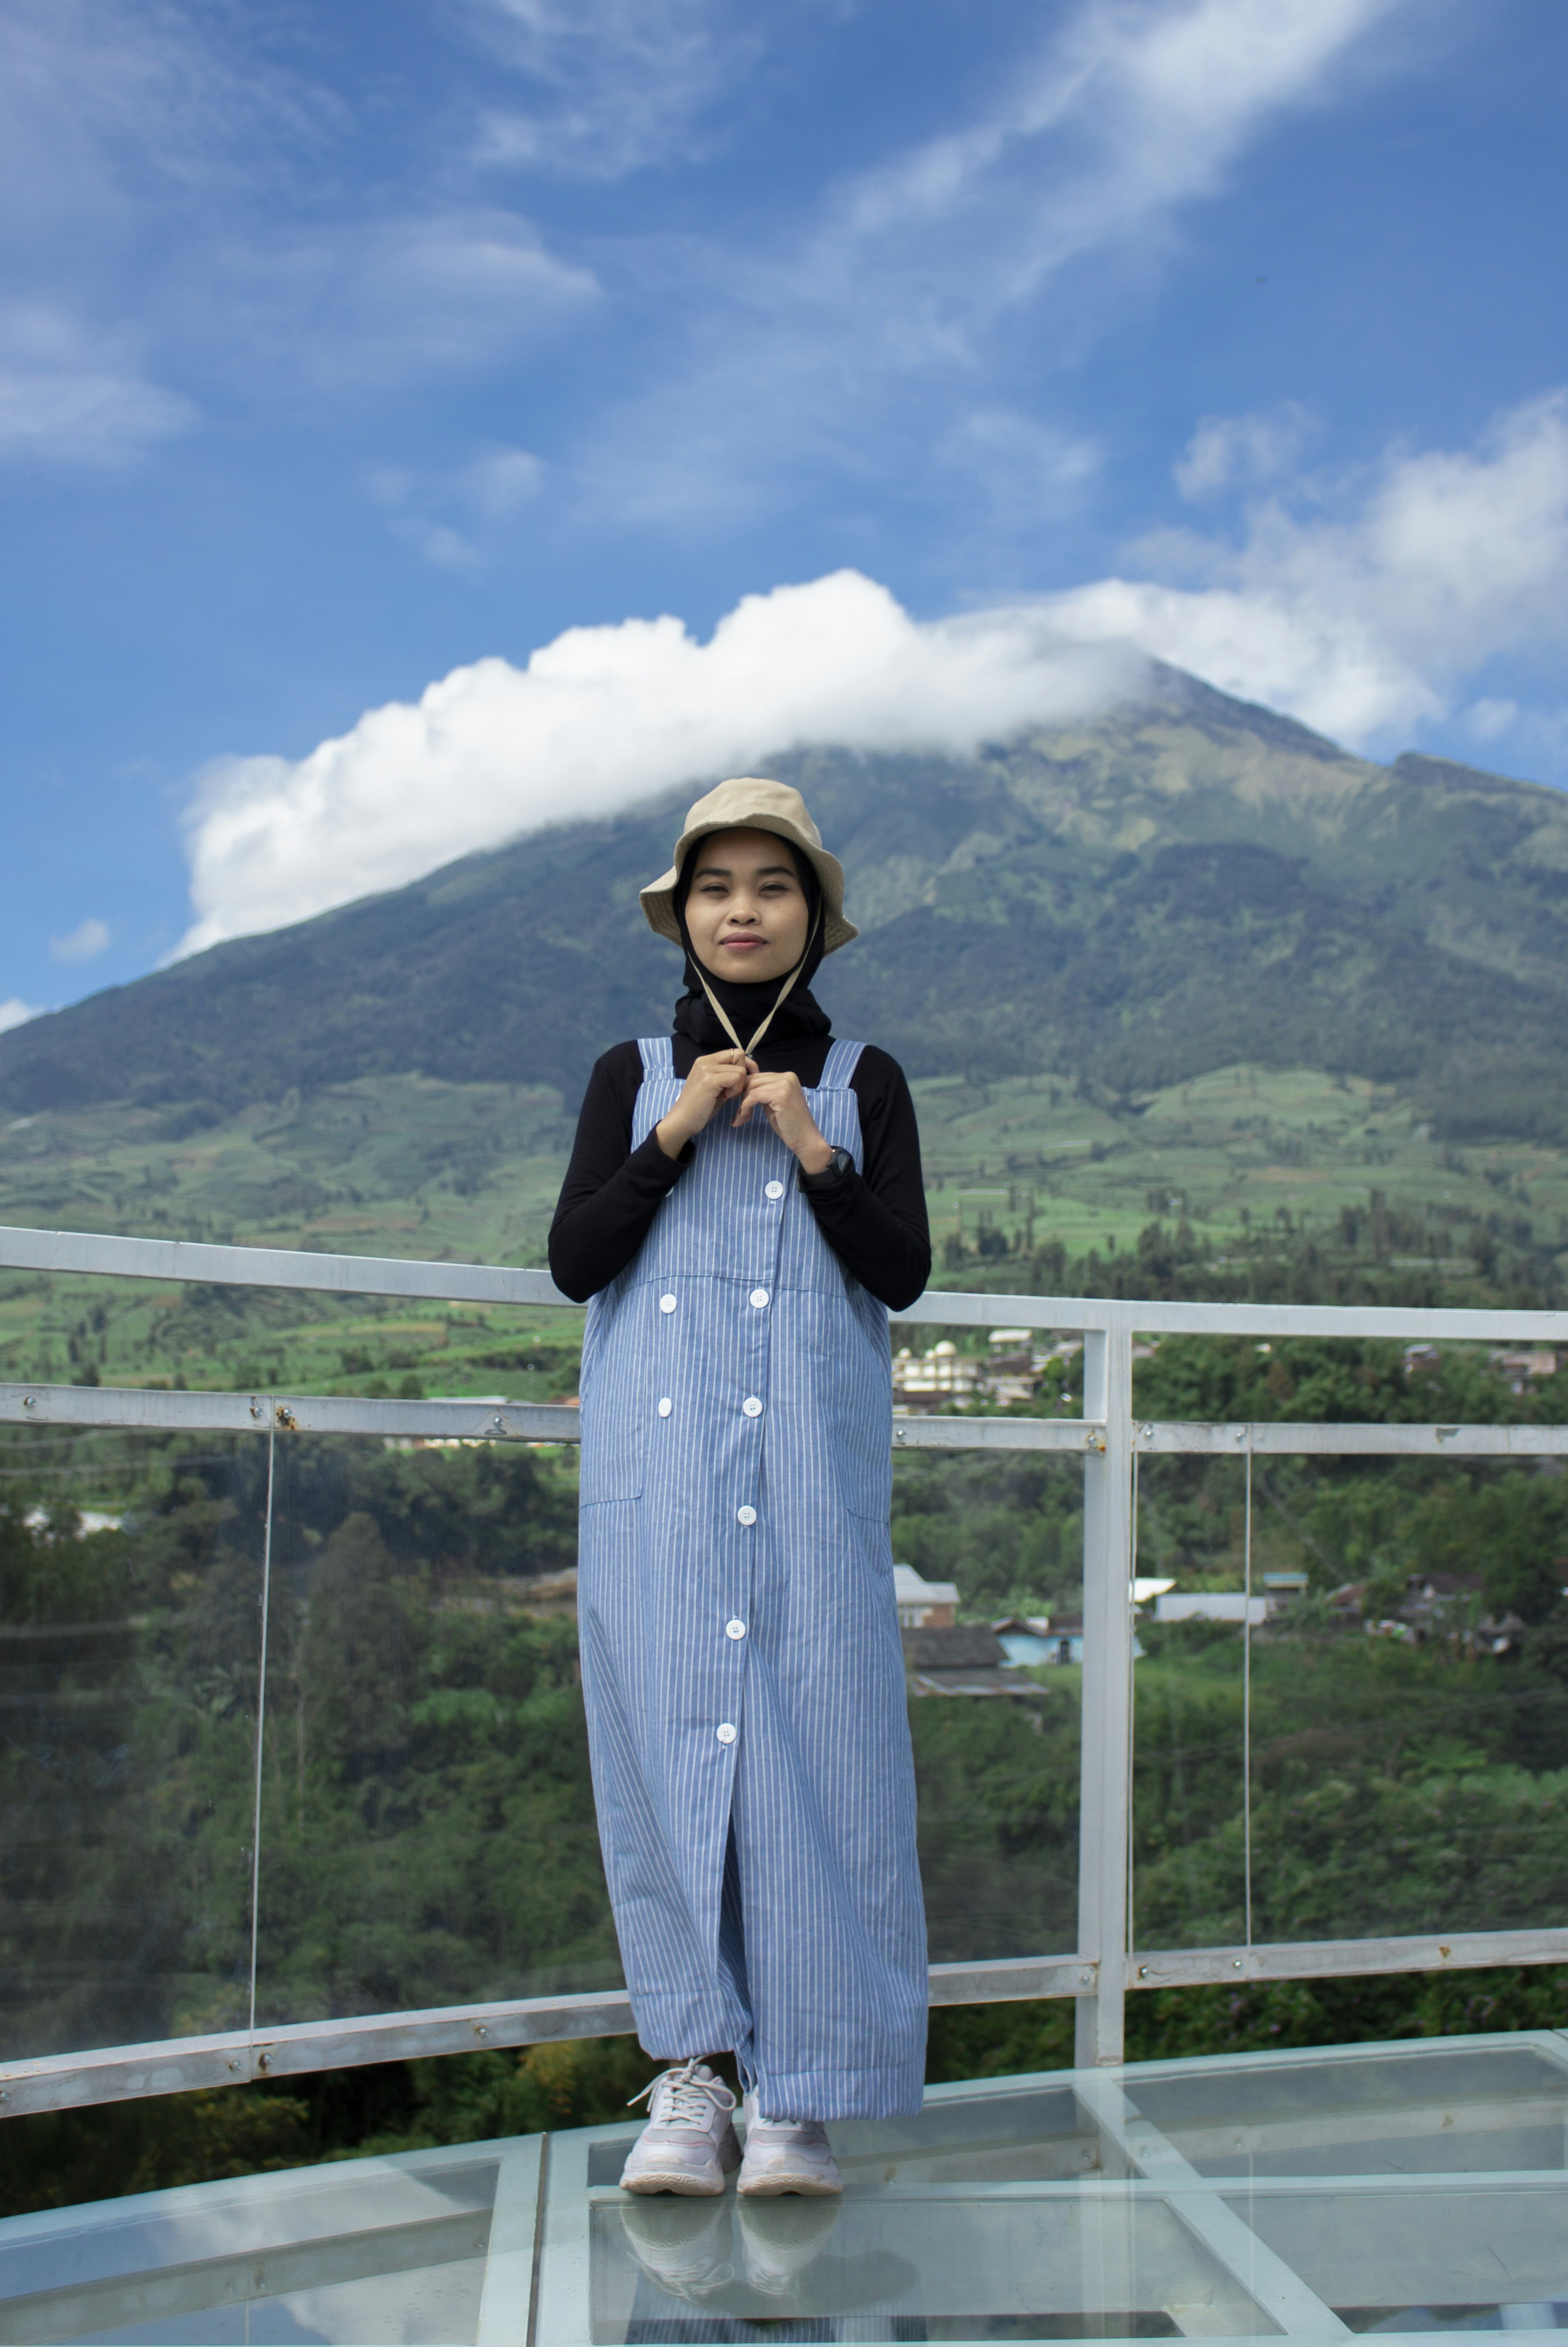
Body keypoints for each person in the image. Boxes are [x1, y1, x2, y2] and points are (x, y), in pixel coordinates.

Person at [549, 777, 932, 2200]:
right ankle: (691, 2077)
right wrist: (674, 1138)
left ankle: (801, 2093)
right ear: (685, 917)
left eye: (772, 887)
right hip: (657, 1495)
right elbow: (575, 1260)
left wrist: (816, 1156)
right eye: (717, 889)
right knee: (661, 1764)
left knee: (819, 1765)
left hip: (811, 1488)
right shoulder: (626, 1077)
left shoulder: (867, 1080)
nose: (743, 912)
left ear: (812, 917)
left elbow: (902, 1269)